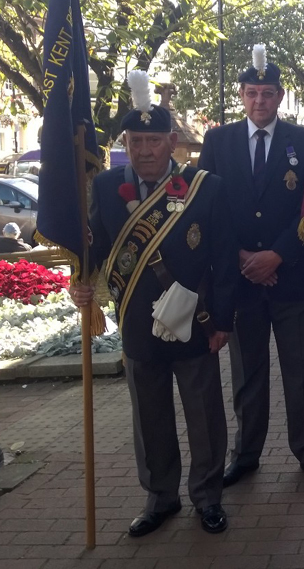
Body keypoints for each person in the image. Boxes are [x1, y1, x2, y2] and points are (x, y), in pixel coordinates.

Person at [69, 70, 237, 537]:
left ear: (173, 141)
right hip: (138, 325)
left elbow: (223, 261)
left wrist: (222, 319)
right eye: (136, 140)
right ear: (126, 141)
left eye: (153, 140)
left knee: (204, 414)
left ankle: (207, 497)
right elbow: (97, 249)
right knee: (150, 418)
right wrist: (82, 282)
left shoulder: (207, 188)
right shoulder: (104, 188)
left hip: (194, 323)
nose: (144, 150)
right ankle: (161, 497)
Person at [198, 46, 304, 488]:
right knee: (247, 375)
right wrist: (240, 256)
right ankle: (247, 454)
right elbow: (207, 208)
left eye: (268, 93)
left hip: (291, 277)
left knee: (300, 372)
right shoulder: (218, 142)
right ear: (242, 95)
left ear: (280, 96)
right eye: (252, 92)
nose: (260, 101)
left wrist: (277, 253)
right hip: (241, 282)